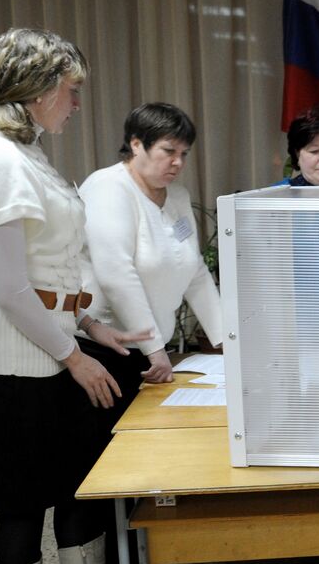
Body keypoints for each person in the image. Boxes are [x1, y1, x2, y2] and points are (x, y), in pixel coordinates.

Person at [0, 27, 148, 564]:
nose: (76, 105)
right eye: (70, 91)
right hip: (13, 360)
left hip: (47, 344)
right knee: (22, 500)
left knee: (73, 484)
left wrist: (90, 325)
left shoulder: (21, 151)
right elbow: (7, 287)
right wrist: (74, 357)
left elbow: (45, 269)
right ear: (36, 91)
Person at [81, 102, 223, 393]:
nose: (178, 162)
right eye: (168, 151)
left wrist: (226, 340)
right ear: (136, 145)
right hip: (106, 351)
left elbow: (194, 272)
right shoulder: (108, 187)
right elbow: (116, 273)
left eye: (184, 154)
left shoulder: (178, 197)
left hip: (152, 353)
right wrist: (154, 349)